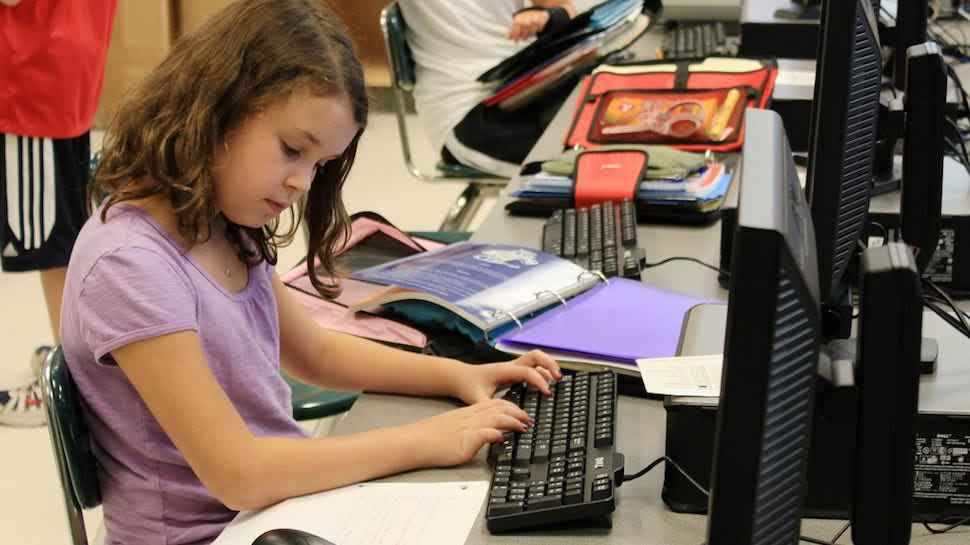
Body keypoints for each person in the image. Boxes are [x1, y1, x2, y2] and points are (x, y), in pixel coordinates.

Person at [59, 1, 562, 544]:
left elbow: (314, 354)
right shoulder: (130, 264)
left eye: (318, 165)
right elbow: (239, 475)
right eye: (292, 150)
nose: (302, 182)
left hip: (278, 511)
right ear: (217, 107)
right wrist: (427, 439)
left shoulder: (222, 217)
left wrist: (459, 375)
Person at [0, 0, 116, 426]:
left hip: (32, 73)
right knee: (63, 232)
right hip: (63, 61)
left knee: (51, 245)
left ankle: (72, 386)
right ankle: (74, 363)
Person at [398, 0, 588, 177]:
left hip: (532, 82)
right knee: (594, 160)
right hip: (468, 114)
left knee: (606, 120)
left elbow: (561, 8)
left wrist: (551, 16)